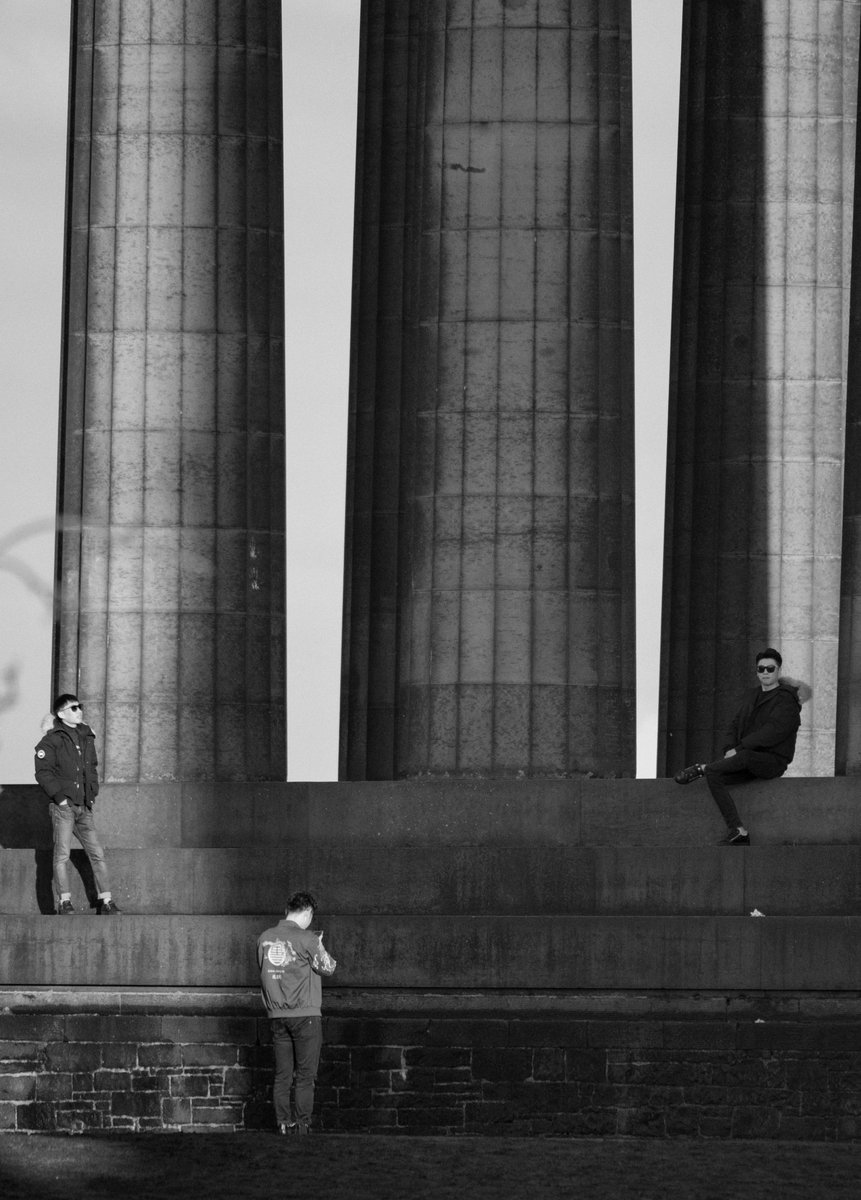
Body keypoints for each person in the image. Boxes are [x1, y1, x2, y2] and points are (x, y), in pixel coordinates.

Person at [674, 648, 801, 845]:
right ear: (756, 671)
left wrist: (739, 750)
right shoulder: (752, 696)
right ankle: (738, 831)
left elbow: (773, 732)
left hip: (771, 761)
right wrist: (728, 748)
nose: (765, 672)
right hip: (747, 759)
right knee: (715, 775)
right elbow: (735, 724)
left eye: (770, 668)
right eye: (761, 668)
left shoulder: (786, 700)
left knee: (731, 762)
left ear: (778, 671)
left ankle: (702, 768)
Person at [257, 891, 337, 1135]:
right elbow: (329, 968)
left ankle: (282, 1124)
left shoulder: (264, 938)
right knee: (304, 1076)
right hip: (306, 1015)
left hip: (277, 1015)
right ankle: (302, 1125)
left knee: (282, 1075)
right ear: (308, 913)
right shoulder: (307, 939)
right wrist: (319, 943)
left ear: (287, 910)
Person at [34, 693, 121, 914]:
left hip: (84, 807)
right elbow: (43, 773)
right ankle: (64, 902)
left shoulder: (86, 735)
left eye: (79, 706)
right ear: (62, 714)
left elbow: (91, 767)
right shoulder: (51, 740)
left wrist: (92, 795)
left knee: (97, 854)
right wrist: (61, 799)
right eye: (73, 708)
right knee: (62, 855)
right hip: (64, 808)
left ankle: (106, 901)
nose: (79, 710)